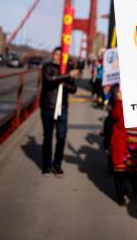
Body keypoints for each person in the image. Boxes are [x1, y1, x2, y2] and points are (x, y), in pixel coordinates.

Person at [40, 46, 78, 177]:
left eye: (60, 55)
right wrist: (67, 76)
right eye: (56, 54)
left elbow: (73, 89)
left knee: (61, 137)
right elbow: (49, 80)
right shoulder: (47, 67)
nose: (58, 56)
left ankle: (57, 165)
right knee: (48, 137)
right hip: (48, 107)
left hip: (62, 108)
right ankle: (46, 165)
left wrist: (64, 82)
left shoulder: (67, 68)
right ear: (52, 55)